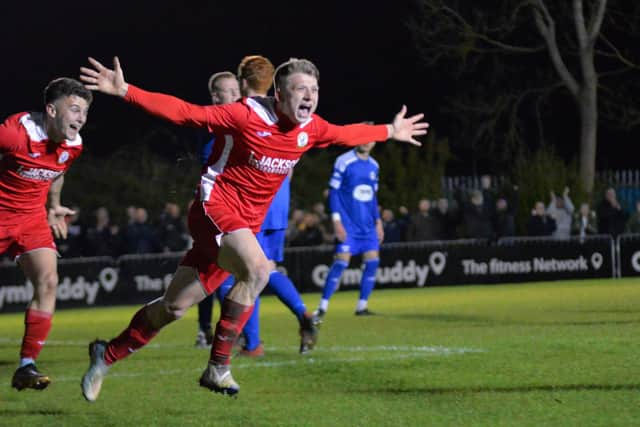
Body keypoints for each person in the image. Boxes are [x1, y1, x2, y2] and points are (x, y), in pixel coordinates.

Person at [78, 55, 428, 400]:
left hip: (240, 227)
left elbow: (344, 133)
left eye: (314, 89)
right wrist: (126, 91)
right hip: (213, 207)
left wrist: (390, 131)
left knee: (173, 307)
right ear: (279, 92)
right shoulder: (246, 114)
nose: (309, 95)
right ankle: (218, 366)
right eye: (299, 88)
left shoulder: (310, 128)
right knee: (259, 270)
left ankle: (105, 355)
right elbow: (186, 112)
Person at [210, 55, 320, 357]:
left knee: (234, 273)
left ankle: (253, 342)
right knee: (264, 268)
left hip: (252, 204)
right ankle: (303, 314)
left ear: (242, 84)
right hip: (277, 202)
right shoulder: (281, 109)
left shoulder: (244, 115)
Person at [0, 78, 92, 391]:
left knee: (49, 280)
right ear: (51, 110)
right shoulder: (15, 134)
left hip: (31, 219)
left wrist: (53, 206)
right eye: (75, 109)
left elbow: (58, 172)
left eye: (85, 112)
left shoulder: (73, 144)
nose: (80, 118)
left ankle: (26, 366)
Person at [194, 71, 241, 348]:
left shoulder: (235, 122)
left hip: (228, 205)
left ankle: (216, 330)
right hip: (212, 205)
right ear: (215, 97)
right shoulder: (212, 123)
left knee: (215, 271)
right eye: (230, 92)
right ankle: (212, 330)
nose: (236, 97)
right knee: (218, 270)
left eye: (238, 91)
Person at [314, 141, 384, 318]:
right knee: (341, 262)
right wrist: (337, 221)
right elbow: (333, 192)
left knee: (373, 262)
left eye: (371, 139)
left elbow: (373, 196)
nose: (367, 142)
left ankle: (362, 306)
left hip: (367, 226)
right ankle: (322, 307)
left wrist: (378, 221)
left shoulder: (374, 165)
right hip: (348, 225)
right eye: (364, 137)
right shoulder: (344, 161)